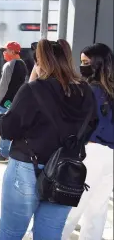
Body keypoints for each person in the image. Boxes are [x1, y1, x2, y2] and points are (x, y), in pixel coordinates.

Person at [0, 39, 98, 239]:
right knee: (50, 233)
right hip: (66, 171)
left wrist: (3, 115)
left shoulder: (32, 90)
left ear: (40, 63)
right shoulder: (86, 91)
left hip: (26, 169)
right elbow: (89, 130)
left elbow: (7, 129)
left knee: (11, 231)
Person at [62, 43, 114, 240]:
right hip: (111, 156)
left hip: (92, 153)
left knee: (71, 204)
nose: (81, 66)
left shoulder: (90, 90)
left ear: (97, 64)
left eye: (85, 62)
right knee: (98, 208)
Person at [0, 41, 28, 163]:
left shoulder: (10, 65)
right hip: (13, 101)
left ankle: (3, 154)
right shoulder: (22, 64)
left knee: (4, 127)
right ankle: (7, 152)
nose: (4, 53)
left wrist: (2, 102)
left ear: (12, 51)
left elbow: (5, 87)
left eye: (6, 50)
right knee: (9, 127)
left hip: (5, 103)